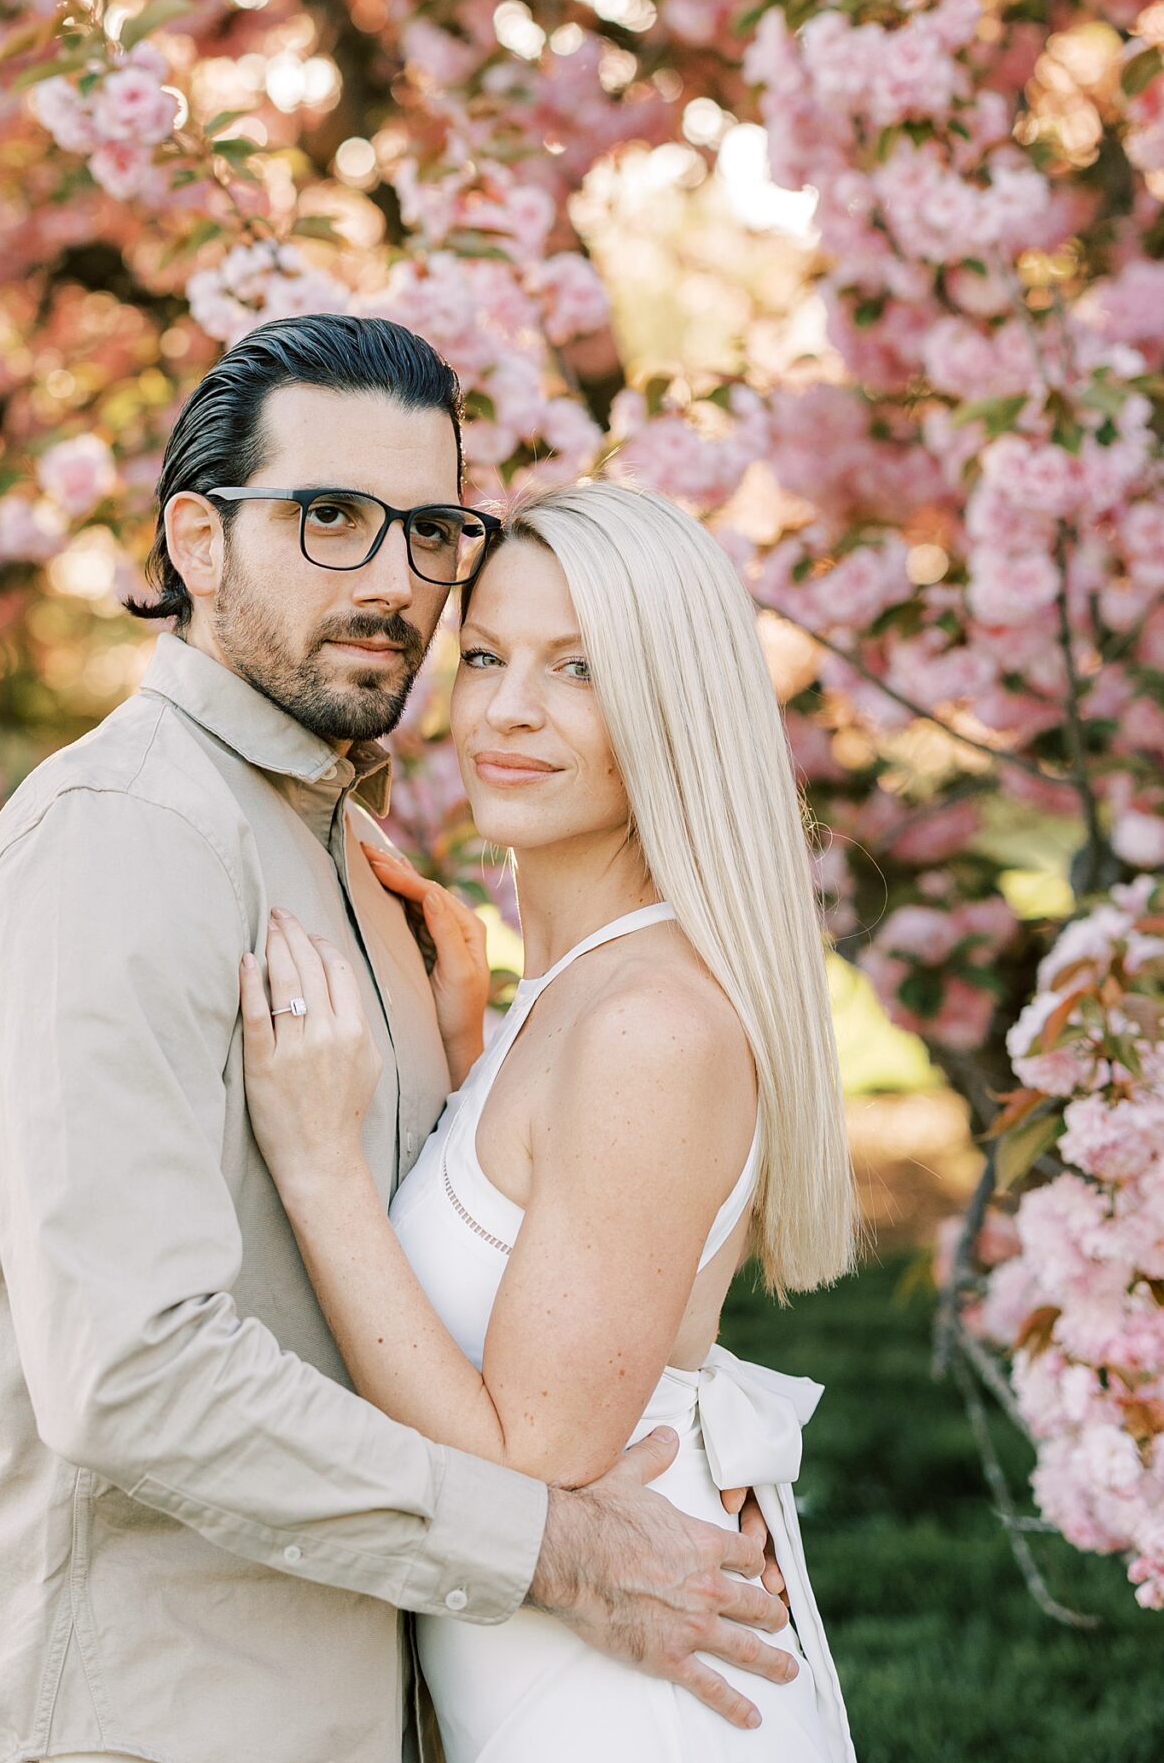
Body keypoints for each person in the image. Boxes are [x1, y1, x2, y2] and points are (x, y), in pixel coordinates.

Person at [0, 314, 799, 1763]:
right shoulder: (128, 842)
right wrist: (557, 1549)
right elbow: (132, 1374)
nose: (392, 581)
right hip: (143, 1710)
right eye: (327, 519)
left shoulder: (353, 862)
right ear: (197, 539)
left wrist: (695, 1449)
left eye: (425, 529)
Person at [240, 476, 860, 1761]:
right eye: (485, 656)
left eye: (578, 666)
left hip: (634, 1713)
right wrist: (470, 1044)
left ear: (672, 705)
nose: (507, 710)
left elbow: (532, 1457)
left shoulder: (651, 1026)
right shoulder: (570, 999)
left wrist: (319, 1159)